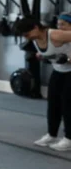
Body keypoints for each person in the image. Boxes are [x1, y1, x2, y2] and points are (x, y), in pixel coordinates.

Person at [14, 15, 71, 151]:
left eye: (27, 34)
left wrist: (69, 58)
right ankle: (52, 135)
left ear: (35, 27)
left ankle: (69, 139)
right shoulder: (36, 39)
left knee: (67, 104)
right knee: (53, 104)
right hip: (59, 71)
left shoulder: (55, 35)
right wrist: (44, 56)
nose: (27, 37)